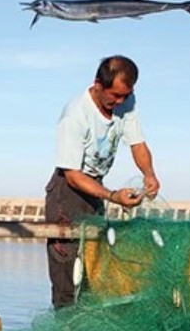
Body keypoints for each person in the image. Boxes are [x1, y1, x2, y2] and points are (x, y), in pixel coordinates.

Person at [44, 55, 160, 308]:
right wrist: (112, 196)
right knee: (67, 271)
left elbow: (137, 142)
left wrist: (149, 174)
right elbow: (73, 175)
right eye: (114, 96)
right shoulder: (74, 116)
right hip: (68, 191)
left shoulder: (126, 102)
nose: (119, 102)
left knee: (92, 266)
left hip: (95, 187)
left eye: (125, 96)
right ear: (98, 84)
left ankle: (86, 326)